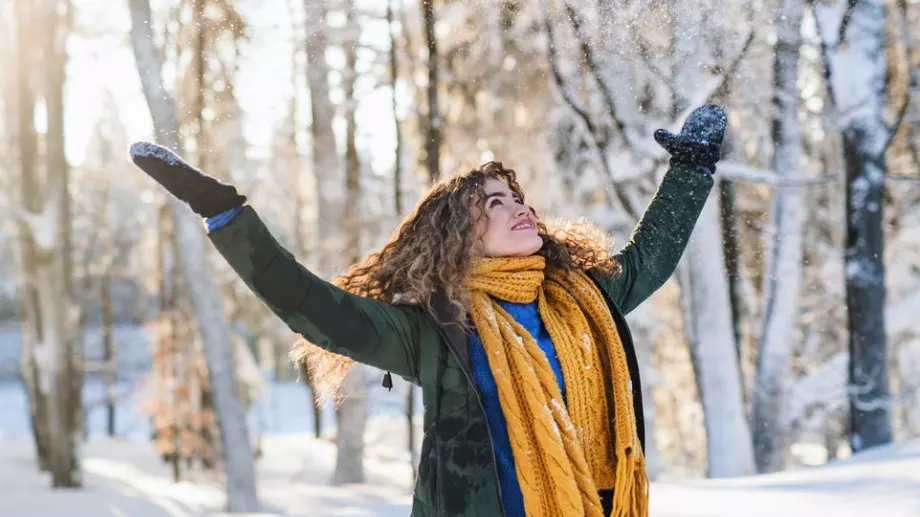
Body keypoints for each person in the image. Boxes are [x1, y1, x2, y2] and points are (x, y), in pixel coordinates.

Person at [129, 104, 726, 517]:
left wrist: (692, 169)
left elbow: (649, 258)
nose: (519, 208)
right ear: (462, 237)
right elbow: (312, 305)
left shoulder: (583, 299)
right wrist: (224, 212)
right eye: (495, 204)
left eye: (517, 197)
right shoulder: (438, 333)